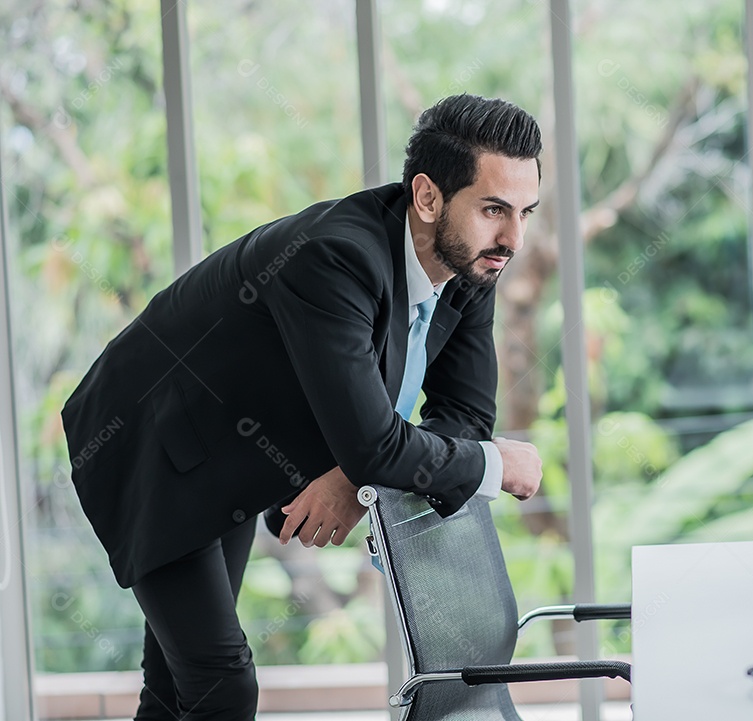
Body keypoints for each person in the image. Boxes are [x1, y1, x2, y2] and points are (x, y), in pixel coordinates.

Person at [60, 94, 544, 720]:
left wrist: (354, 472)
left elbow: (463, 415)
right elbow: (405, 442)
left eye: (527, 212)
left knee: (174, 691)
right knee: (221, 684)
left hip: (232, 447)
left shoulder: (470, 262)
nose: (514, 238)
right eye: (494, 209)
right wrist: (490, 465)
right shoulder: (336, 257)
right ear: (428, 198)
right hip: (149, 442)